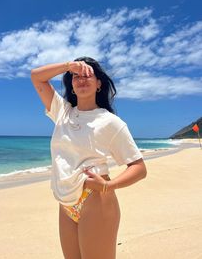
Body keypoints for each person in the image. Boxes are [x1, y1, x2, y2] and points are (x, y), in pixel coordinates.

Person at [31, 56, 147, 259]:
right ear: (72, 85)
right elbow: (37, 77)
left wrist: (108, 186)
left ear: (99, 83)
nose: (81, 79)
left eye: (88, 75)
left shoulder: (110, 122)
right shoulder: (62, 112)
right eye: (76, 76)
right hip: (65, 202)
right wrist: (68, 66)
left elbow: (139, 167)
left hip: (96, 199)